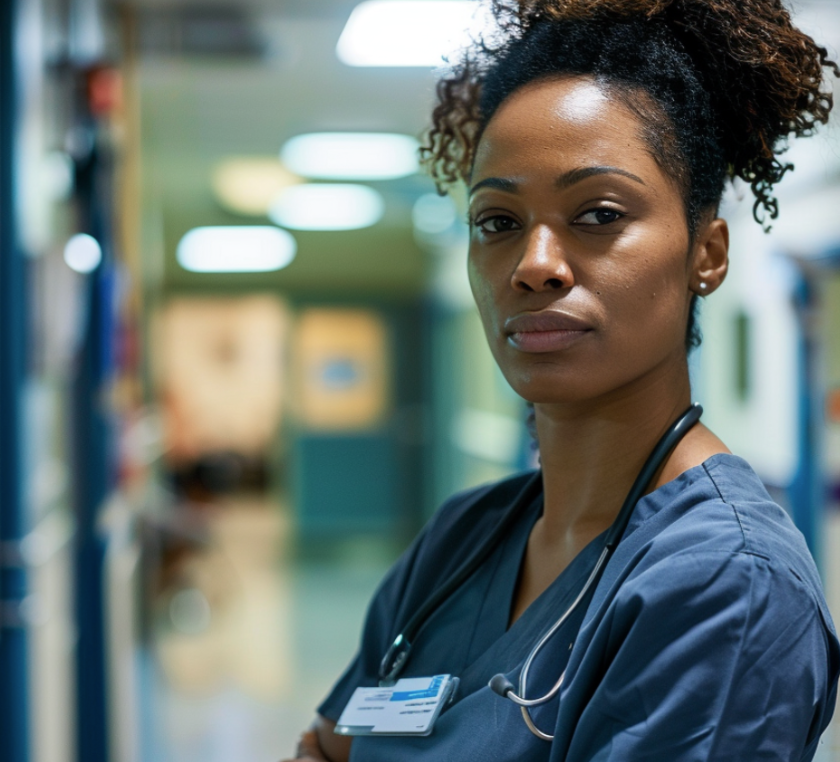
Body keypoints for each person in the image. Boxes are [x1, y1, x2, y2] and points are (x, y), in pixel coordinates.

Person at [282, 0, 840, 759]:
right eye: (498, 222)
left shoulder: (724, 587)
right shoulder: (464, 540)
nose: (534, 264)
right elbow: (327, 745)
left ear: (706, 253)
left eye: (599, 213)